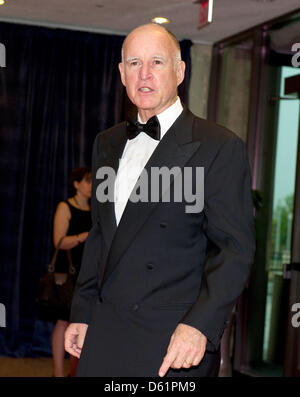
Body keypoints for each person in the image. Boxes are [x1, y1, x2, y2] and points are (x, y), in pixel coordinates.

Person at [65, 23, 255, 377]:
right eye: (134, 63)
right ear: (122, 74)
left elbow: (234, 250)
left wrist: (200, 325)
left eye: (157, 62)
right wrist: (83, 311)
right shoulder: (106, 143)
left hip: (173, 341)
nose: (145, 74)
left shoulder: (218, 146)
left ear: (180, 71)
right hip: (105, 332)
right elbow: (101, 236)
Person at [52, 167, 92, 377]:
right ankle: (59, 373)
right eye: (87, 181)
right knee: (63, 320)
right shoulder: (65, 206)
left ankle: (76, 372)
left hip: (89, 272)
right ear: (76, 184)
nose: (91, 186)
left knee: (83, 320)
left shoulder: (97, 209)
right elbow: (58, 241)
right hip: (67, 271)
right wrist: (82, 236)